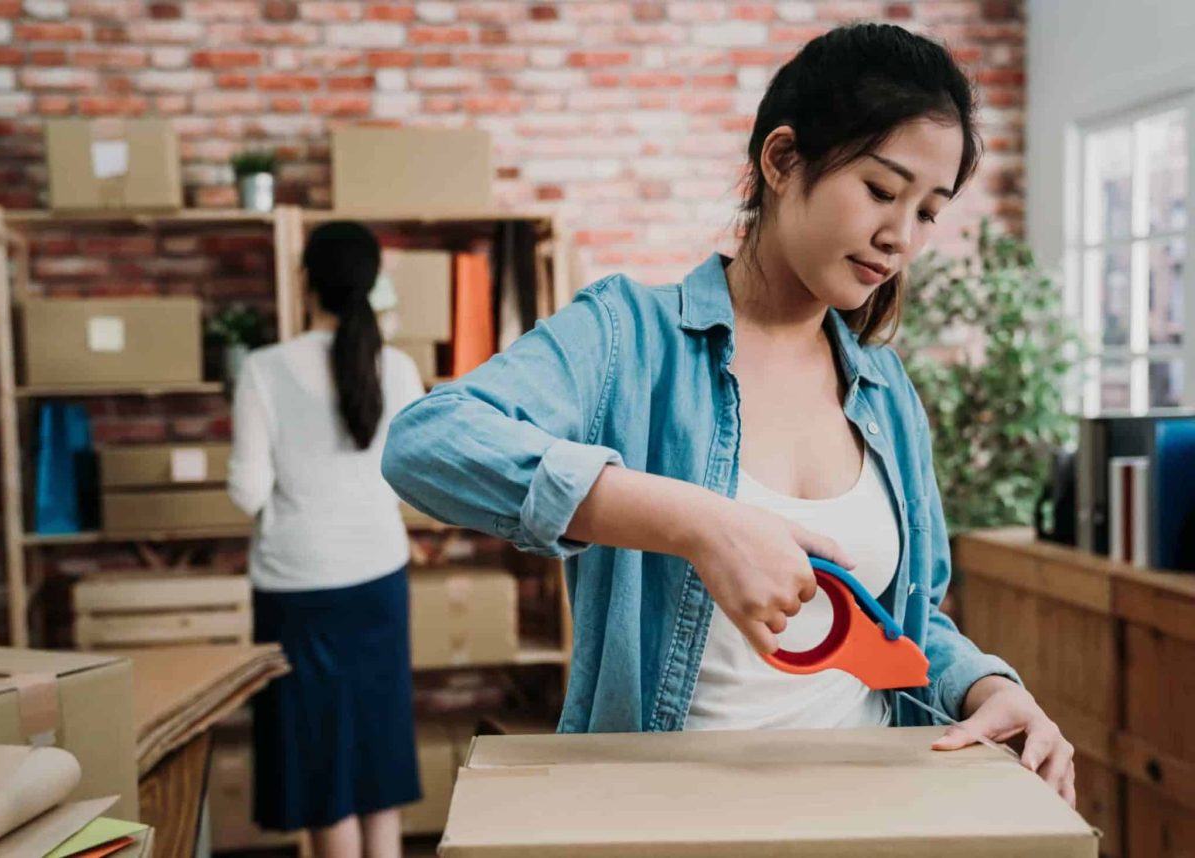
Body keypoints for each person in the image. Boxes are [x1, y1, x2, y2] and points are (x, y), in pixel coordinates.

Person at [381, 23, 1077, 807]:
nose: (900, 237)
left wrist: (981, 685)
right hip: (660, 820)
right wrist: (698, 523)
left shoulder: (885, 391)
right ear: (782, 160)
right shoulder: (626, 338)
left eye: (927, 212)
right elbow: (426, 442)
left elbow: (896, 625)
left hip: (867, 813)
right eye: (882, 190)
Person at [229, 221, 425, 857]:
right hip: (378, 581)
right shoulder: (397, 367)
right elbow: (414, 480)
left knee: (321, 766)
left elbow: (247, 492)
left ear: (305, 280)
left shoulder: (263, 369)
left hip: (298, 592)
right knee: (376, 752)